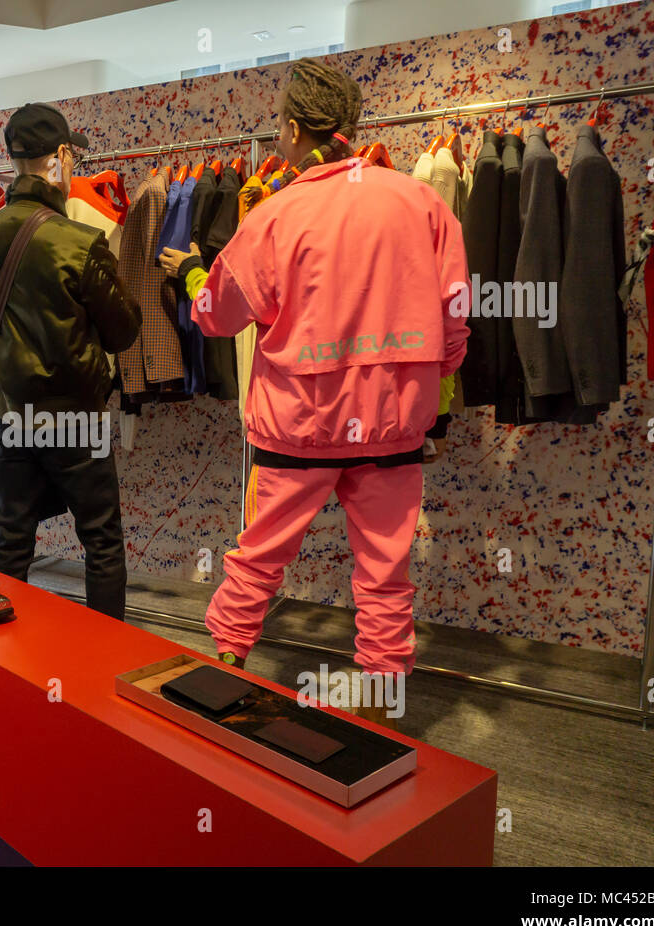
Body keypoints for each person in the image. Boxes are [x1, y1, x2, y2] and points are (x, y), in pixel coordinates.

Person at [160, 60, 469, 721]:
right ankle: (386, 710)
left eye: (279, 131)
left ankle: (223, 675)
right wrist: (432, 382)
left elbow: (217, 312)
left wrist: (190, 272)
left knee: (258, 559)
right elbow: (453, 313)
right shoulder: (421, 203)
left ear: (295, 128)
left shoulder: (279, 214)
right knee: (385, 573)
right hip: (392, 425)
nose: (277, 144)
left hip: (297, 425)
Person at [0, 103, 142, 620]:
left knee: (12, 542)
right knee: (101, 542)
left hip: (12, 416)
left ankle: (6, 663)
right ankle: (106, 659)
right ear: (61, 156)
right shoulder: (80, 243)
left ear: (13, 159)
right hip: (75, 421)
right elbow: (124, 332)